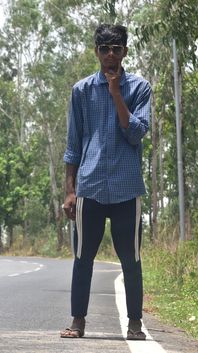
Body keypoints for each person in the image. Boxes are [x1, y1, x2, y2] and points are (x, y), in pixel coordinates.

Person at [60, 24, 151, 340]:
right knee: (83, 256)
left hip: (128, 189)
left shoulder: (140, 88)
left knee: (131, 260)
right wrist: (70, 191)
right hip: (91, 186)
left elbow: (136, 133)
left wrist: (115, 92)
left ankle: (135, 324)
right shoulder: (81, 91)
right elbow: (73, 144)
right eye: (104, 49)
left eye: (116, 48)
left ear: (125, 52)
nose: (110, 54)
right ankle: (78, 321)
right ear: (96, 52)